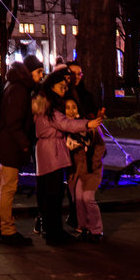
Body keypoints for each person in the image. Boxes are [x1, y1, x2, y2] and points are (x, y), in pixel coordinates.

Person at [31, 68, 103, 245]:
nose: (64, 90)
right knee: (54, 194)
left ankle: (51, 230)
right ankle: (54, 233)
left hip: (46, 151)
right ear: (52, 86)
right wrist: (88, 124)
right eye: (62, 87)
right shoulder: (50, 107)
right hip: (52, 152)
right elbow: (65, 123)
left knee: (50, 193)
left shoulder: (44, 103)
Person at [0, 59, 39, 246]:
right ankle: (8, 230)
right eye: (39, 72)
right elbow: (13, 121)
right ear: (29, 72)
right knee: (8, 189)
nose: (41, 76)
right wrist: (24, 144)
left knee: (1, 187)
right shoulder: (20, 90)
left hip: (1, 145)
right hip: (9, 147)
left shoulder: (11, 84)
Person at [67, 95, 107, 242]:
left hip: (91, 169)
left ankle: (96, 230)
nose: (71, 111)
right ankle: (84, 228)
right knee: (78, 199)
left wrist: (94, 162)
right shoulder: (64, 129)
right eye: (68, 108)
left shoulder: (88, 125)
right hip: (76, 171)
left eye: (74, 107)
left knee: (88, 198)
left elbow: (100, 146)